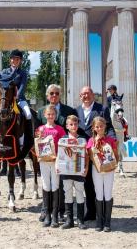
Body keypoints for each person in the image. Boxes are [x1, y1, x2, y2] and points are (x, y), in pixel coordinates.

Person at [37, 84, 78, 222]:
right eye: (51, 93)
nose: (54, 95)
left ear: (60, 95)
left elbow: (73, 130)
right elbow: (37, 133)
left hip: (63, 155)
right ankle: (45, 211)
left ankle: (58, 212)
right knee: (46, 184)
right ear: (47, 96)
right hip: (45, 157)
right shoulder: (40, 111)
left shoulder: (69, 110)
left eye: (56, 93)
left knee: (59, 184)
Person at [75, 86, 111, 221]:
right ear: (80, 96)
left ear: (93, 95)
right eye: (83, 94)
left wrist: (111, 143)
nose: (86, 96)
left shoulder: (102, 109)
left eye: (88, 93)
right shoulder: (76, 110)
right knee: (87, 183)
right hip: (82, 153)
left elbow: (110, 128)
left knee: (100, 183)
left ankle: (102, 213)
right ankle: (91, 212)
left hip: (98, 151)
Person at [36, 104, 65, 228]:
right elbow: (37, 144)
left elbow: (64, 145)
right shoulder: (40, 129)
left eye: (53, 114)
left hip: (56, 161)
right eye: (48, 114)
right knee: (46, 185)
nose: (50, 116)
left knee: (55, 186)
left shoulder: (60, 129)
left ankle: (55, 215)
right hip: (44, 161)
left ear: (56, 115)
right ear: (44, 115)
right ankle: (47, 214)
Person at [58, 115, 89, 229]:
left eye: (75, 124)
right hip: (66, 172)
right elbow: (59, 155)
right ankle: (69, 220)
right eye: (71, 124)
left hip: (78, 171)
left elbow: (86, 156)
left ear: (78, 125)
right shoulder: (62, 140)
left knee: (80, 193)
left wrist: (86, 168)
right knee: (68, 194)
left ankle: (80, 221)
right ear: (67, 126)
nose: (74, 126)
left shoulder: (82, 139)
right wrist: (58, 166)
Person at [87, 116, 117, 232]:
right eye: (97, 127)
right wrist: (92, 151)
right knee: (99, 193)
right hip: (97, 170)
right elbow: (89, 156)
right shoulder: (91, 141)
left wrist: (113, 165)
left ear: (105, 127)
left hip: (109, 170)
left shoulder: (110, 140)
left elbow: (115, 155)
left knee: (108, 193)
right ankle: (99, 221)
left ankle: (107, 222)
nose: (99, 128)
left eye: (101, 126)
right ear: (94, 128)